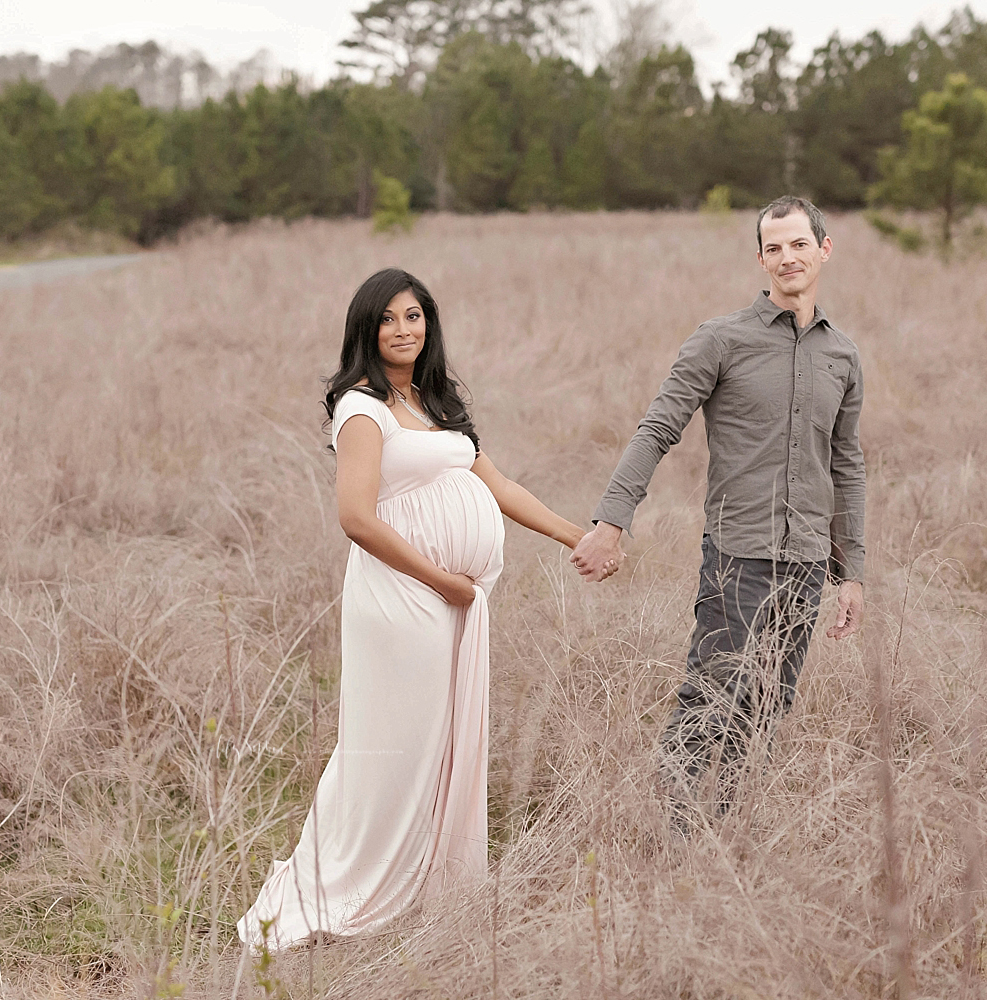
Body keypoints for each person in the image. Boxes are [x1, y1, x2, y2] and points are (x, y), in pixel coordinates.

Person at [237, 267, 585, 951]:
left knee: (441, 742)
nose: (404, 330)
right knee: (393, 745)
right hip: (403, 600)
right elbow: (357, 519)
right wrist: (443, 582)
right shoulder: (361, 408)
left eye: (415, 316)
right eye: (389, 319)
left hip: (452, 602)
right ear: (367, 329)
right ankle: (353, 885)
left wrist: (579, 536)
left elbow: (501, 485)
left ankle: (430, 882)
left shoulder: (435, 402)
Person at [570, 196, 866, 817]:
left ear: (824, 250)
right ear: (761, 258)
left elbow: (846, 463)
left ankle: (725, 834)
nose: (788, 258)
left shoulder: (841, 355)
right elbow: (658, 429)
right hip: (738, 558)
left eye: (799, 245)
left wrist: (851, 571)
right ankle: (672, 836)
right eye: (774, 247)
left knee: (768, 707)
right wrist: (610, 523)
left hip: (808, 561)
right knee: (711, 699)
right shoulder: (721, 340)